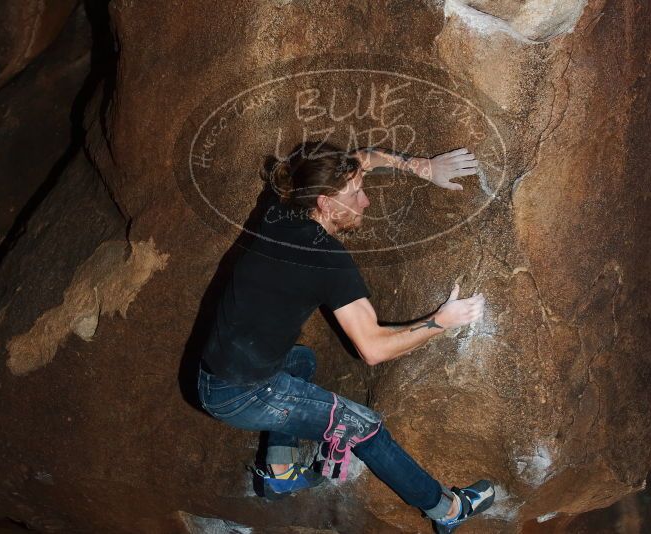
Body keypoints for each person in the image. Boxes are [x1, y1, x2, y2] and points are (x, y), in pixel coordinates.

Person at [197, 141, 494, 532]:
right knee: (365, 427)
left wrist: (425, 168)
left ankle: (280, 468)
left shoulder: (280, 207)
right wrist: (440, 322)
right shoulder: (326, 260)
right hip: (244, 393)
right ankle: (447, 510)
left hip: (214, 372)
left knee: (302, 360)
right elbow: (372, 348)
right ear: (325, 203)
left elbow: (363, 159)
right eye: (355, 194)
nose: (366, 200)